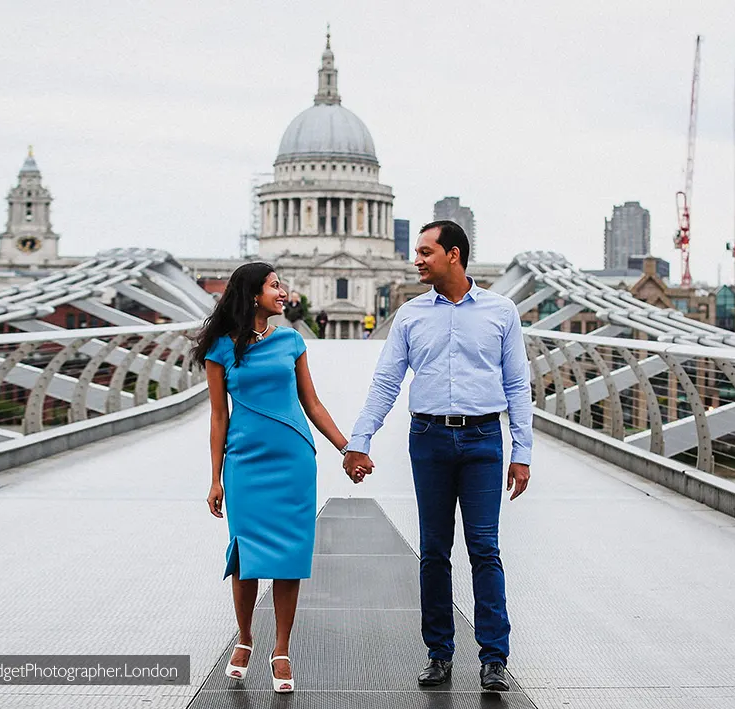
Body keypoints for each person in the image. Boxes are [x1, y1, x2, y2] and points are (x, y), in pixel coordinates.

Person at [343, 220, 532, 692]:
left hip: (484, 439)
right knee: (433, 550)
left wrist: (522, 452)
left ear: (453, 255)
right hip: (427, 437)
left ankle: (493, 658)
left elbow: (517, 387)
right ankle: (439, 653)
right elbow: (386, 382)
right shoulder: (409, 315)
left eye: (426, 252)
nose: (417, 259)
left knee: (485, 549)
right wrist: (359, 439)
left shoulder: (501, 312)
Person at [191, 263, 366, 694]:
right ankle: (246, 638)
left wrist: (348, 448)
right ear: (253, 294)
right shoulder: (219, 348)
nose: (283, 291)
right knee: (246, 553)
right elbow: (218, 417)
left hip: (293, 459)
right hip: (246, 462)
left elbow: (313, 403)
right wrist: (214, 478)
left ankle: (282, 648)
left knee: (289, 555)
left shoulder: (291, 340)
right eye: (274, 285)